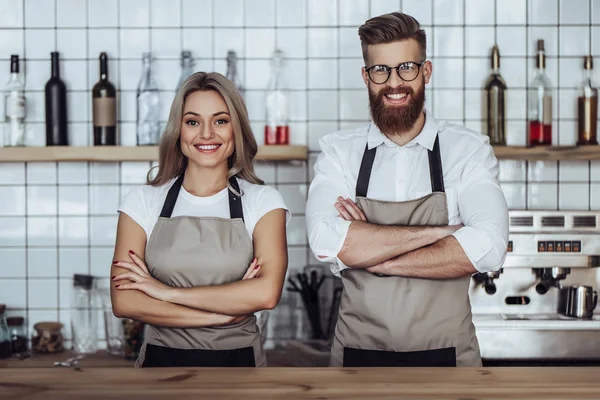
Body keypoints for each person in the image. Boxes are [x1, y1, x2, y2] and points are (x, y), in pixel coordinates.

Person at [306, 12, 509, 367]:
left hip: (450, 360)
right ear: (366, 76)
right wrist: (440, 233)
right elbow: (325, 241)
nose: (394, 82)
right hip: (356, 360)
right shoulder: (339, 152)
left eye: (406, 68)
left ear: (426, 72)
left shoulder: (468, 151)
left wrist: (373, 254)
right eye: (381, 70)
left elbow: (490, 248)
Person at [110, 72, 290, 368]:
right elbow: (125, 302)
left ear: (237, 129)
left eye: (220, 121)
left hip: (241, 368)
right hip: (159, 368)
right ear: (178, 131)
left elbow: (266, 293)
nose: (206, 134)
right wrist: (221, 315)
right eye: (193, 122)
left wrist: (164, 291)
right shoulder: (143, 201)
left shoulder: (263, 202)